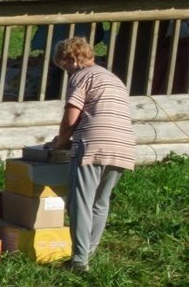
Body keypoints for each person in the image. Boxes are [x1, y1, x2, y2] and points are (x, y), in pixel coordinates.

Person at [48, 36, 135, 272]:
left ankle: (78, 260)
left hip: (93, 143)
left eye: (64, 66)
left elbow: (72, 117)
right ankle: (89, 253)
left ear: (73, 59)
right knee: (100, 201)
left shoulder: (81, 76)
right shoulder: (114, 78)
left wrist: (59, 143)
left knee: (80, 203)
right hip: (123, 145)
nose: (66, 72)